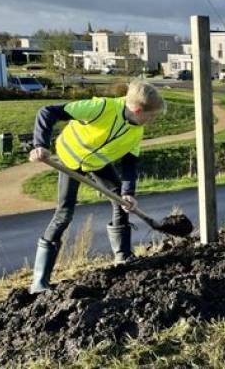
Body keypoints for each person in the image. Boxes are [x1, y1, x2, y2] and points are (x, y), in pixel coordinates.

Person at [28, 80, 165, 294]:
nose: (152, 120)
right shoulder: (100, 107)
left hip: (96, 164)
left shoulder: (136, 130)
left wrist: (128, 193)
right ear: (138, 110)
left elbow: (130, 163)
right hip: (68, 160)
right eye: (151, 116)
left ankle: (123, 258)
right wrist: (40, 146)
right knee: (64, 214)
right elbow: (47, 112)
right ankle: (39, 282)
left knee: (121, 202)